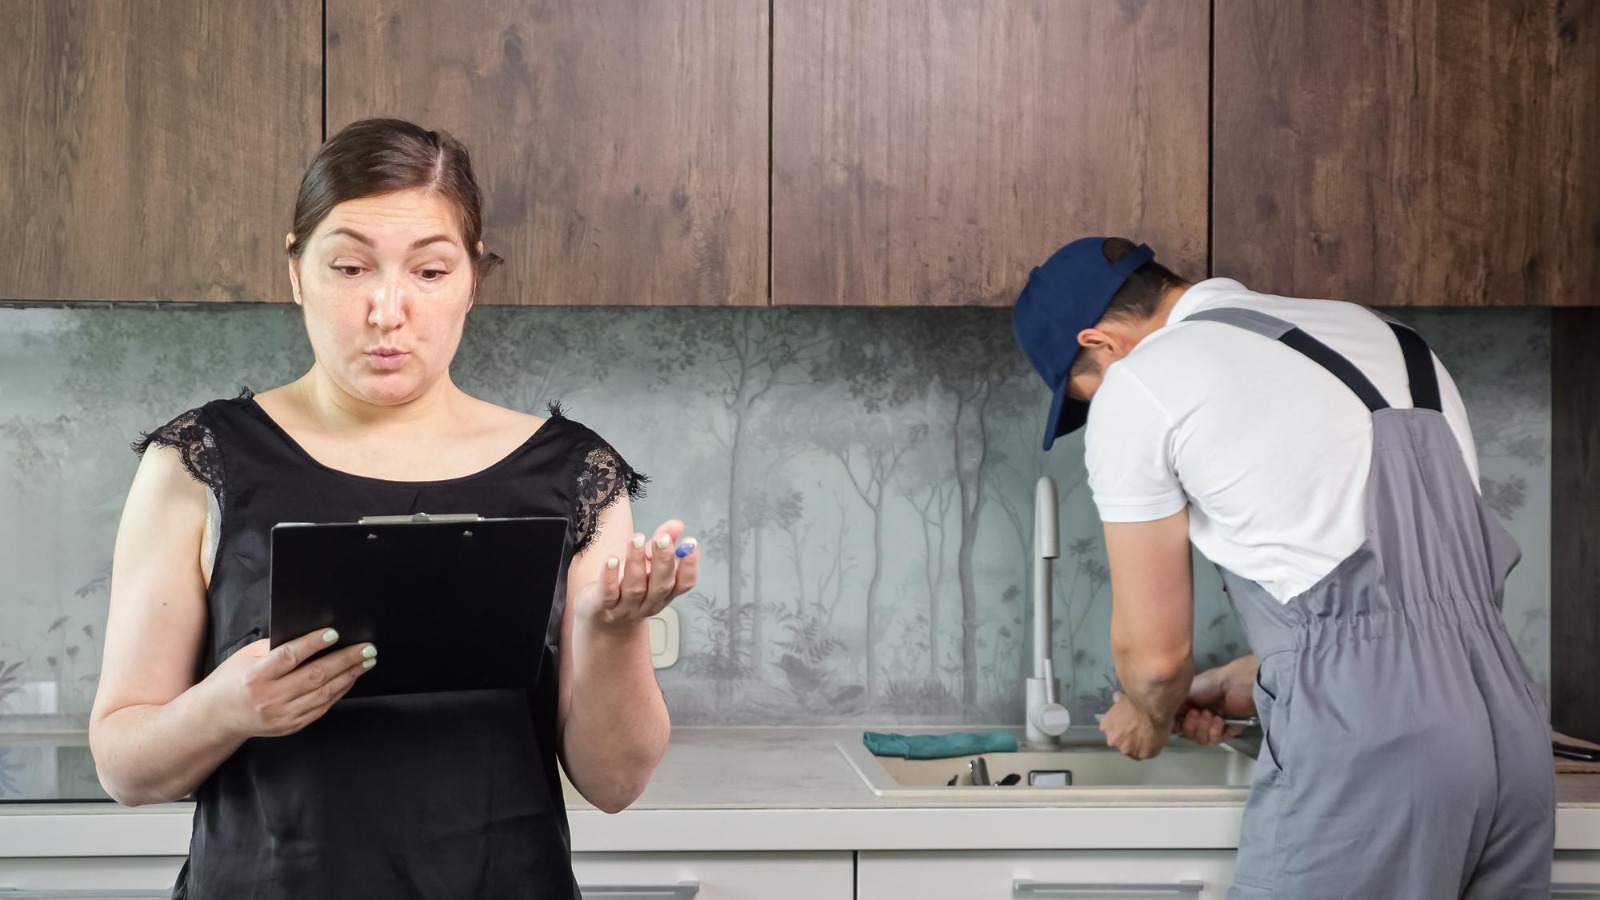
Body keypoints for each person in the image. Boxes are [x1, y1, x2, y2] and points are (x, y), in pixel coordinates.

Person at [87, 118, 695, 899]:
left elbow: (614, 784)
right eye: (349, 266)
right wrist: (225, 709)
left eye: (430, 272)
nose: (387, 310)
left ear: (474, 275)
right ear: (296, 271)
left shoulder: (573, 474)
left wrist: (613, 633)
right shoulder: (198, 462)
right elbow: (123, 766)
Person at [1013, 237, 1554, 898]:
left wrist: (1148, 716)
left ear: (1101, 342)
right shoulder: (1384, 332)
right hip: (1512, 732)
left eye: (1084, 392)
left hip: (1374, 757)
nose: (1099, 401)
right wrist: (1266, 676)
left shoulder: (1143, 380)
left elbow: (1154, 660)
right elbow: (1407, 610)